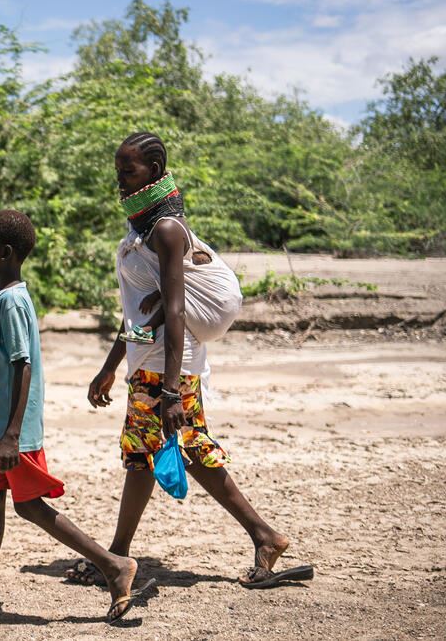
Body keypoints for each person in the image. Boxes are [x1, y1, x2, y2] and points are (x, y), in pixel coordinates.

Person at [68, 131, 299, 590]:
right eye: (117, 171)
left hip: (168, 366)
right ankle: (259, 536)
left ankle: (118, 558)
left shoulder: (167, 230)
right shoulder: (144, 229)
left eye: (128, 171)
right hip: (149, 360)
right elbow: (143, 314)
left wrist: (172, 390)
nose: (119, 180)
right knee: (165, 454)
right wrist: (112, 363)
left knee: (162, 453)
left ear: (153, 172)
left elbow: (174, 312)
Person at [0, 209, 151, 625]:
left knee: (30, 506)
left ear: (7, 253)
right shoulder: (2, 296)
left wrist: (14, 433)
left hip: (13, 430)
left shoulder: (14, 301)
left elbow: (23, 365)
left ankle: (113, 566)